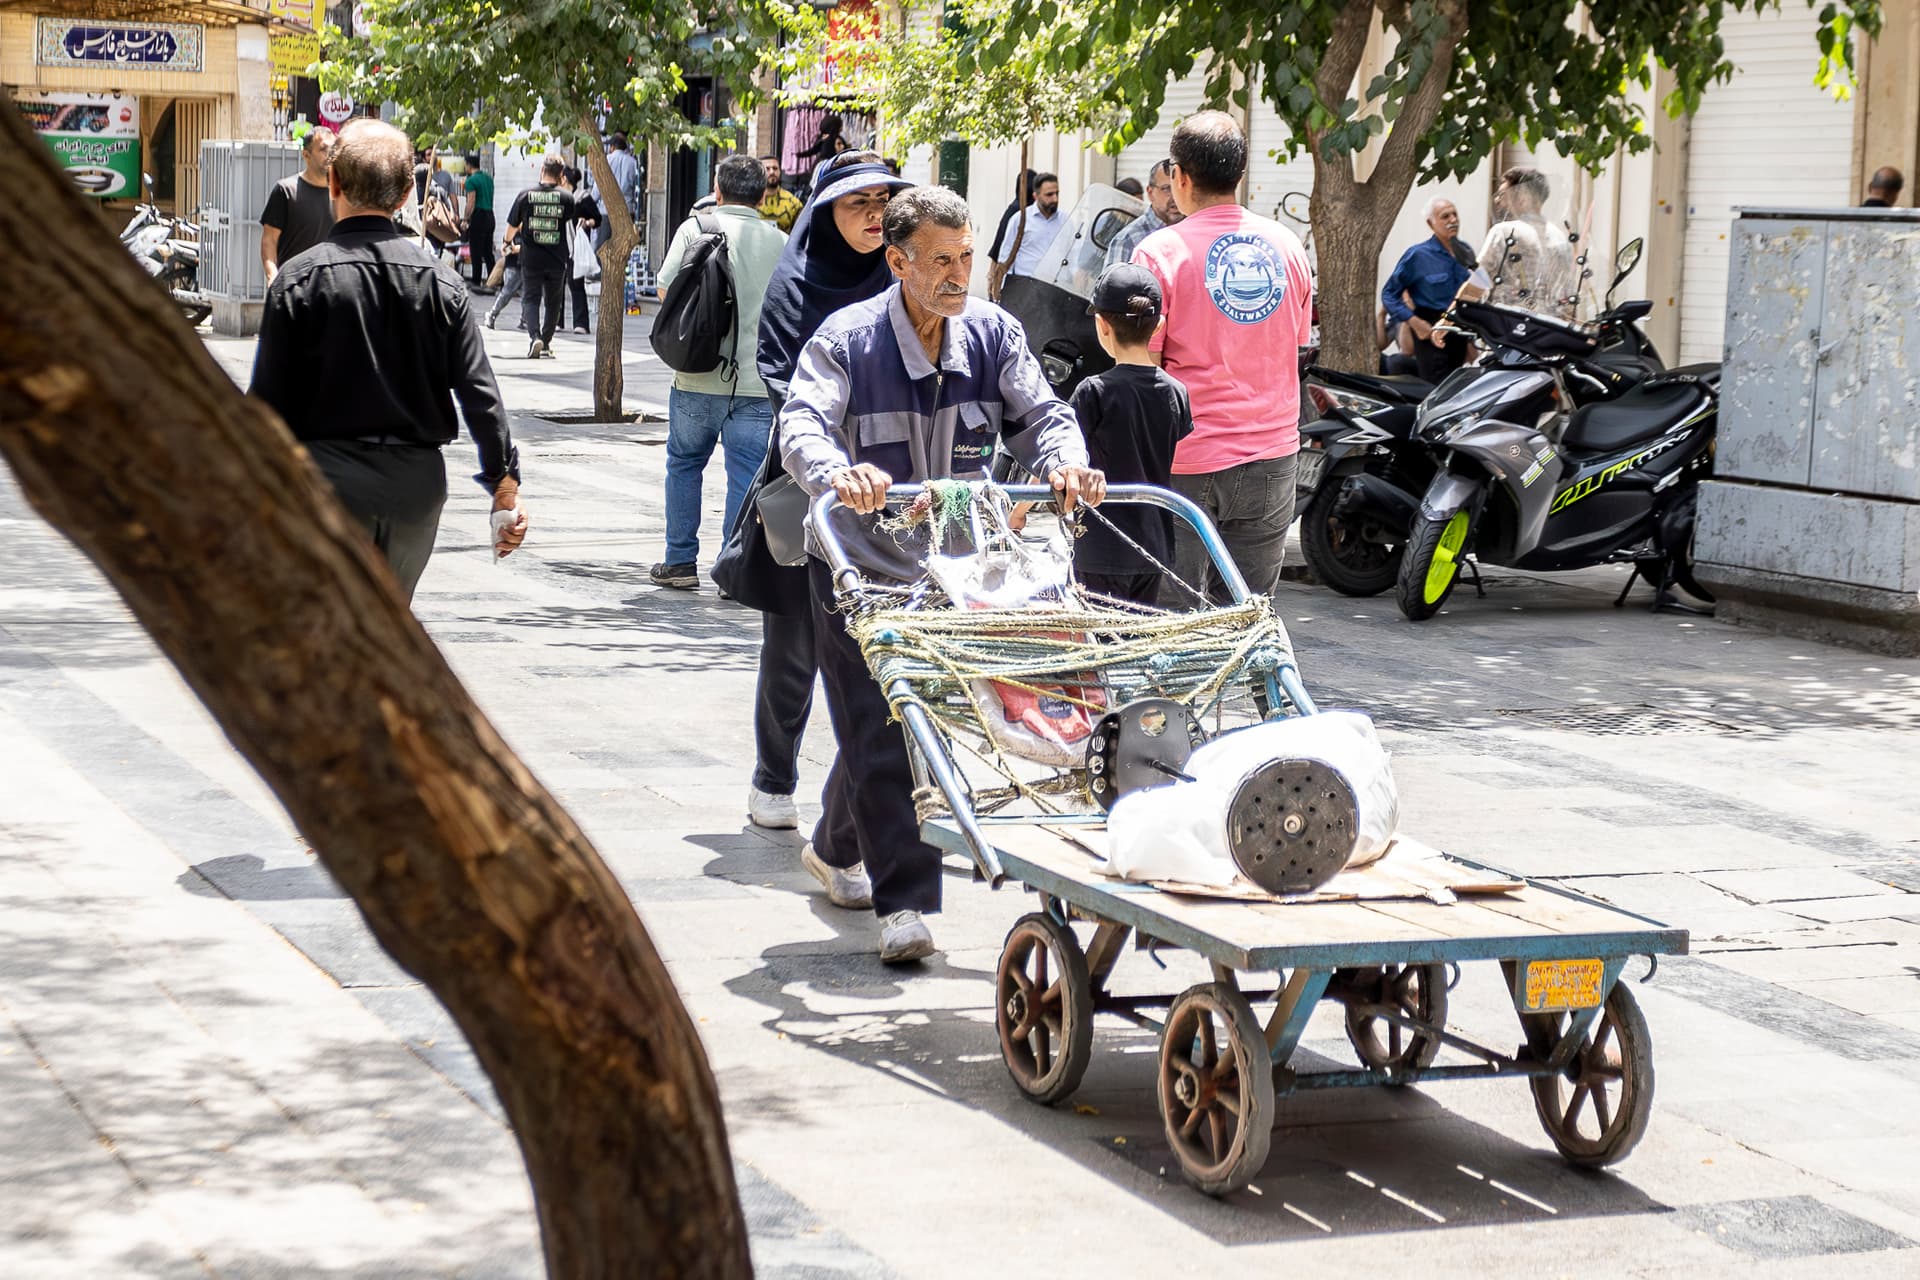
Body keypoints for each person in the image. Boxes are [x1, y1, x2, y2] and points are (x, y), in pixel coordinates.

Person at [779, 185, 1105, 962]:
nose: (961, 275)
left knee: (903, 720)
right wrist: (837, 473)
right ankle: (904, 905)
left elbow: (1045, 416)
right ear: (897, 263)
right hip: (860, 568)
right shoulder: (846, 341)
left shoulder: (993, 334)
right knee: (881, 727)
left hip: (955, 572)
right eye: (942, 262)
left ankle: (834, 843)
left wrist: (1066, 462)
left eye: (967, 258)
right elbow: (801, 424)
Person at [249, 119, 527, 602]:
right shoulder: (443, 284)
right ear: (404, 195)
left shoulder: (297, 280)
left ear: (333, 183)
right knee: (388, 621)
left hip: (323, 482)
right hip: (414, 491)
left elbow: (265, 405)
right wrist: (504, 489)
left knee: (328, 626)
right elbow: (479, 393)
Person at [740, 152, 913, 836]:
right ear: (823, 212)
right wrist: (840, 456)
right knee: (795, 647)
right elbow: (785, 387)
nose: (874, 215)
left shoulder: (907, 275)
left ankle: (865, 807)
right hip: (814, 490)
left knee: (887, 657)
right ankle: (772, 778)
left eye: (882, 201)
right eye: (856, 203)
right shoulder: (795, 284)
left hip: (903, 492)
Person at [1131, 110, 1313, 605]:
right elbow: (1295, 347)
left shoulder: (1158, 253)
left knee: (1176, 621)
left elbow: (1140, 366)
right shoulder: (1288, 248)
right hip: (1273, 458)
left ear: (1180, 177)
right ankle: (1257, 689)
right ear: (1240, 173)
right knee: (1250, 614)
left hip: (1187, 462)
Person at [648, 155, 787, 590]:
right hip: (754, 382)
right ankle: (731, 572)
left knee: (684, 464)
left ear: (717, 189)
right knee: (745, 477)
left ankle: (679, 562)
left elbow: (666, 287)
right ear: (764, 195)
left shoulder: (695, 228)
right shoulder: (781, 241)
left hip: (696, 377)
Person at [1069, 263, 1192, 605]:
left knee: (1103, 644)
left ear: (1101, 325)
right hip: (1153, 545)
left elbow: (1062, 457)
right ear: (1159, 326)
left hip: (1101, 544)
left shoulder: (1093, 391)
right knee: (1138, 644)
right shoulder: (1176, 391)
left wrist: (1018, 512)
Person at [1463, 166, 1576, 320]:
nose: (1498, 201)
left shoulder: (1504, 232)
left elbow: (1475, 286)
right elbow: (1567, 301)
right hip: (1547, 333)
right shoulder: (1561, 239)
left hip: (1506, 331)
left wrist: (1446, 321)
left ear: (1523, 197)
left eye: (1503, 195)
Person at [1381, 196, 1474, 381]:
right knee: (1436, 389)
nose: (1453, 220)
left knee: (1454, 387)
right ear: (1431, 224)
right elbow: (1389, 294)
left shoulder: (1465, 251)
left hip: (1459, 329)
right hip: (1430, 329)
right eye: (1445, 216)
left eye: (1455, 214)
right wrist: (1414, 322)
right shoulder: (1418, 255)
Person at [503, 156, 576, 359]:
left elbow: (510, 229)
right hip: (556, 260)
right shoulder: (566, 198)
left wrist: (507, 243)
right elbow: (570, 222)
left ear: (542, 169)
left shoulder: (525, 196)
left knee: (531, 299)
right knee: (553, 304)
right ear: (561, 175)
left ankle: (534, 336)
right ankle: (546, 342)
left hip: (531, 259)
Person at [260, 126, 337, 284]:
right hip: (293, 286)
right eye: (323, 149)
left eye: (333, 149)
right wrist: (272, 276)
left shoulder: (342, 195)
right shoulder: (286, 191)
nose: (330, 155)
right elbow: (269, 239)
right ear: (306, 155)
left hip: (330, 288)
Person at [1105, 159, 1184, 268]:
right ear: (1150, 193)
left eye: (1180, 187)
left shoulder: (1195, 231)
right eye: (1167, 189)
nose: (1175, 195)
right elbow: (1114, 284)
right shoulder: (1128, 240)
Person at [997, 171, 1064, 280]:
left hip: (1056, 286)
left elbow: (1073, 254)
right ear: (1035, 196)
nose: (1055, 199)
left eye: (1057, 193)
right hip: (1025, 286)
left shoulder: (1065, 221)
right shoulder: (1020, 220)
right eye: (1049, 195)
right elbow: (1006, 255)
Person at [562, 165, 600, 335]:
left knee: (575, 283)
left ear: (564, 179)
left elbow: (597, 218)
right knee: (555, 285)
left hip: (575, 247)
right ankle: (556, 321)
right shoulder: (557, 196)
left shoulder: (582, 198)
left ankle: (581, 323)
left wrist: (587, 222)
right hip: (559, 245)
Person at [461, 150, 495, 290]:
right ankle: (494, 280)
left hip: (478, 216)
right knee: (487, 251)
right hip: (490, 215)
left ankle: (476, 281)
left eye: (465, 165)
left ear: (469, 165)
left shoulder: (471, 180)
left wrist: (466, 219)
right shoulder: (488, 179)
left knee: (475, 250)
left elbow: (471, 202)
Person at [485, 235, 523, 329]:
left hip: (527, 266)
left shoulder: (529, 230)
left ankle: (525, 320)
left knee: (527, 295)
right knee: (507, 293)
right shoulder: (512, 232)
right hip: (513, 266)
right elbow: (505, 250)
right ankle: (492, 314)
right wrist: (515, 248)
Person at [758, 155, 802, 232]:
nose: (772, 172)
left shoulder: (794, 203)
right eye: (767, 169)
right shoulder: (750, 200)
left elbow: (799, 234)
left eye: (775, 168)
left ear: (779, 171)